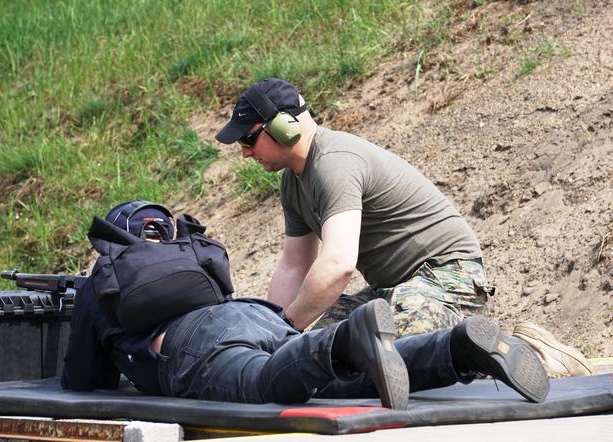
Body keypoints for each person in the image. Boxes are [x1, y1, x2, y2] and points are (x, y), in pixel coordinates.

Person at [214, 79, 596, 381]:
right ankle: (474, 346)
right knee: (323, 357)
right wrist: (273, 332)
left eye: (248, 139)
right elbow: (295, 266)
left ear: (284, 127)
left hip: (449, 274)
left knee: (387, 353)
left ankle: (530, 353)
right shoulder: (293, 183)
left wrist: (289, 328)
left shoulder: (334, 162)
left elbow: (338, 265)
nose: (245, 152)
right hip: (397, 289)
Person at [62, 200, 550, 408]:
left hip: (194, 344)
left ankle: (343, 341)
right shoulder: (188, 252)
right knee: (354, 382)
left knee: (264, 382)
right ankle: (456, 349)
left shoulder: (104, 276)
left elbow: (83, 383)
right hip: (253, 314)